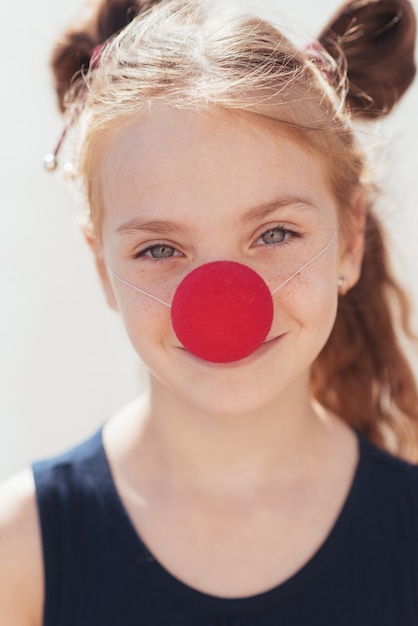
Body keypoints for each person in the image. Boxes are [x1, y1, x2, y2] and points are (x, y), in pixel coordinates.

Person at [1, 0, 418, 623]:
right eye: (160, 248)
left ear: (350, 239)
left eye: (275, 234)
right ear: (101, 268)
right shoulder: (22, 550)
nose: (224, 302)